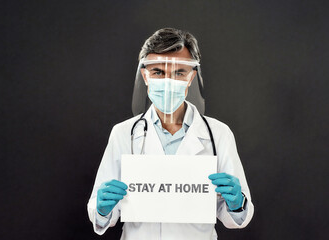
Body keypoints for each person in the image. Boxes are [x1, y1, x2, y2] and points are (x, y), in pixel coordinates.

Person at [87, 28, 254, 240]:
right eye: (158, 72)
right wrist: (101, 208)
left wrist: (237, 203)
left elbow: (237, 218)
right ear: (145, 76)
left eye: (179, 72)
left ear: (192, 76)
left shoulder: (218, 134)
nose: (168, 81)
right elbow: (101, 215)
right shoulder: (123, 133)